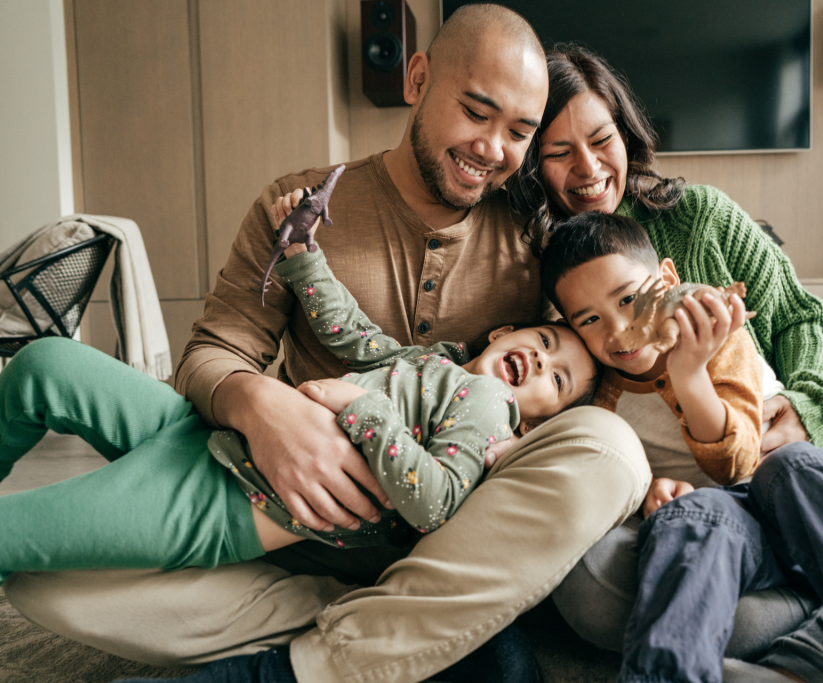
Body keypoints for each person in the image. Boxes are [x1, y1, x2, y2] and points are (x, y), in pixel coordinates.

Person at [1, 8, 650, 683]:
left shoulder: (534, 246)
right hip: (260, 502)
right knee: (43, 570)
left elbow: (590, 374)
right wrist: (259, 405)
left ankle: (330, 638)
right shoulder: (300, 204)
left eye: (519, 132)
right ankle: (327, 629)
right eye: (476, 112)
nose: (492, 148)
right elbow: (215, 351)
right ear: (418, 77)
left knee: (505, 662)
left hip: (415, 570)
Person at [506, 43, 823, 681]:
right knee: (603, 589)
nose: (587, 168)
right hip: (679, 507)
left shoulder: (698, 217)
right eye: (558, 153)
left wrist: (804, 407)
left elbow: (805, 318)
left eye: (601, 138)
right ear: (531, 164)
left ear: (626, 133)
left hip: (782, 470)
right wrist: (640, 492)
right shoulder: (521, 258)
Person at [0, 219, 601, 580]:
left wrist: (358, 409)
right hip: (209, 429)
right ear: (505, 333)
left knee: (14, 531)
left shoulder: (490, 411)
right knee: (42, 363)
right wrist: (302, 256)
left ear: (543, 418)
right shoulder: (429, 362)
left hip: (236, 496)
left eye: (559, 381)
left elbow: (434, 504)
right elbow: (348, 330)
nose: (544, 362)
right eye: (545, 341)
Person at [539, 211, 823, 683]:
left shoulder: (723, 340)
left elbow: (737, 461)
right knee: (689, 517)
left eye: (629, 299)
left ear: (667, 279)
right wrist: (645, 490)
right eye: (589, 320)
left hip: (794, 505)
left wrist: (689, 372)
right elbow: (606, 472)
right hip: (724, 531)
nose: (619, 329)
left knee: (793, 465)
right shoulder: (604, 398)